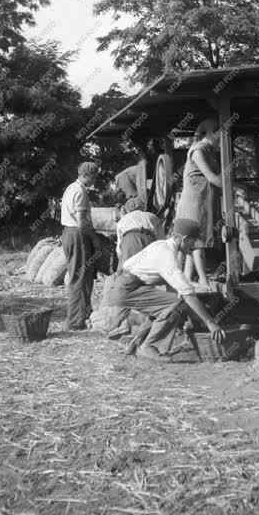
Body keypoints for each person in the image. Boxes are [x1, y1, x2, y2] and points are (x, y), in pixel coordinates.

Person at [103, 218, 226, 362]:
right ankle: (149, 346)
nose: (194, 245)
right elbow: (186, 295)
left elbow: (178, 286)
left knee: (165, 307)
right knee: (176, 305)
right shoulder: (167, 255)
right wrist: (210, 323)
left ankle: (136, 342)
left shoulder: (163, 246)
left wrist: (196, 288)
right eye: (193, 241)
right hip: (125, 288)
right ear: (184, 239)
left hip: (123, 285)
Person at [174, 119, 222, 287]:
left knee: (192, 245)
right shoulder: (198, 151)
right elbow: (213, 178)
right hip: (193, 203)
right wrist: (234, 189)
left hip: (203, 201)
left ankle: (186, 279)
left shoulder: (210, 151)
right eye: (220, 132)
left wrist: (237, 185)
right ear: (209, 133)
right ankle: (203, 280)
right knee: (197, 243)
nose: (222, 137)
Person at [60, 161, 102, 330]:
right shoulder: (80, 192)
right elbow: (82, 222)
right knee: (79, 277)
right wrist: (94, 239)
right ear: (85, 175)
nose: (95, 180)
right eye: (94, 177)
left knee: (84, 276)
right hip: (78, 236)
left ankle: (84, 315)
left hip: (70, 234)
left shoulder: (71, 188)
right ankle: (74, 321)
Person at [115, 196, 163, 270]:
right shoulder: (151, 216)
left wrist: (122, 258)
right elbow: (161, 239)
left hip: (129, 242)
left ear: (126, 210)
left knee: (124, 275)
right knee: (150, 273)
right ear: (142, 207)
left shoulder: (122, 221)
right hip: (148, 239)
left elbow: (119, 250)